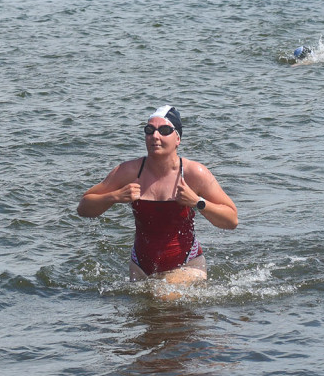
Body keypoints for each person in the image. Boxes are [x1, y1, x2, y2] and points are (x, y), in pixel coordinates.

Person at [77, 106, 238, 286]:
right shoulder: (130, 171)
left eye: (164, 130)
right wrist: (114, 196)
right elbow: (83, 207)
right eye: (149, 130)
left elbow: (232, 220)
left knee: (162, 297)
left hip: (186, 264)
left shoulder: (194, 173)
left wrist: (197, 202)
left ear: (177, 138)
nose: (155, 136)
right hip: (140, 266)